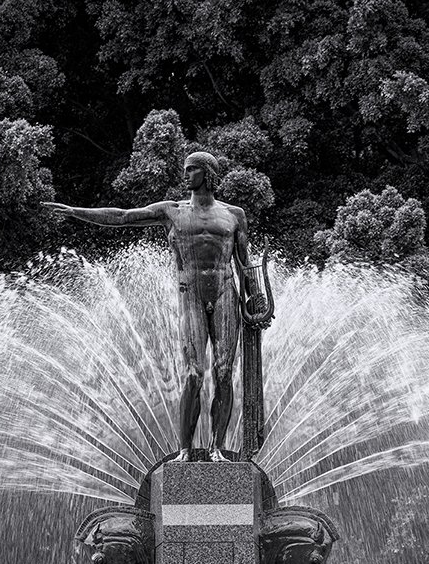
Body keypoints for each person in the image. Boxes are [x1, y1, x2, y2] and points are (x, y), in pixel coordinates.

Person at [42, 151, 264, 460]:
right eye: (184, 170)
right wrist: (74, 211)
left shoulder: (234, 215)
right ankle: (185, 450)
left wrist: (256, 297)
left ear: (207, 174)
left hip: (227, 293)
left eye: (191, 170)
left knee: (224, 373)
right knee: (193, 374)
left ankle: (216, 449)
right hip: (191, 296)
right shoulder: (172, 211)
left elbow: (244, 261)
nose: (185, 176)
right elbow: (121, 216)